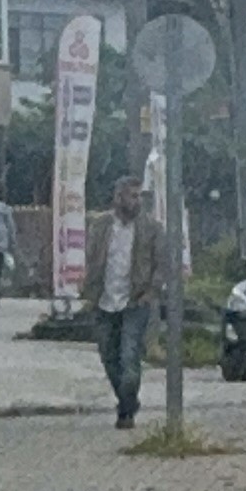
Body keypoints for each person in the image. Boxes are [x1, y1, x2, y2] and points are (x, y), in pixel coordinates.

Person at [81, 176, 164, 429]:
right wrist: (87, 289)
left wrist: (151, 291)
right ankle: (127, 400)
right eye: (132, 196)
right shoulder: (100, 225)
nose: (137, 201)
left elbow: (161, 264)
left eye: (140, 196)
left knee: (129, 356)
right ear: (118, 197)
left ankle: (126, 411)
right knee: (109, 356)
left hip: (135, 301)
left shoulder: (152, 228)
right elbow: (92, 257)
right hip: (104, 301)